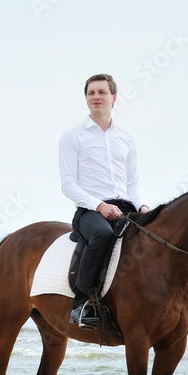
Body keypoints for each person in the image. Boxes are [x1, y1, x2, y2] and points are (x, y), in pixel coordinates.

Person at [59, 73, 149, 329]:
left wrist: (142, 205)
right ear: (86, 99)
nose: (96, 97)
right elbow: (68, 184)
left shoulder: (127, 138)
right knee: (102, 235)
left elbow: (133, 182)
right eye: (91, 93)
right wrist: (99, 205)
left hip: (126, 207)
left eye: (101, 92)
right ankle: (81, 304)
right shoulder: (73, 136)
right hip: (89, 211)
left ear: (114, 98)